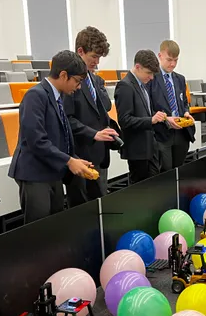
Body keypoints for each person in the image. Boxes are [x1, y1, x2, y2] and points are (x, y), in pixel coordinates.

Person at [8, 50, 94, 223]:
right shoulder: (35, 95)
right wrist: (69, 161)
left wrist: (73, 158)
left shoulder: (56, 96)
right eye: (76, 81)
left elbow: (59, 137)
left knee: (54, 226)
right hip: (34, 173)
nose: (78, 87)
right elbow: (36, 141)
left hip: (52, 171)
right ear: (63, 75)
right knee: (38, 232)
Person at [65, 27, 121, 206]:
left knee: (100, 205)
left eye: (99, 58)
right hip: (80, 154)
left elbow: (105, 107)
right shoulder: (68, 81)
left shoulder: (95, 80)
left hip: (100, 152)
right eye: (93, 57)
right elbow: (67, 119)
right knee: (83, 209)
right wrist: (93, 133)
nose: (96, 63)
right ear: (80, 51)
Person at [114, 50, 165, 184]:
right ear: (137, 67)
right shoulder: (125, 86)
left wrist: (156, 116)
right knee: (141, 190)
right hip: (137, 149)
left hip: (150, 146)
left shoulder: (142, 85)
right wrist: (151, 120)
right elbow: (124, 120)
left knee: (154, 186)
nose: (151, 77)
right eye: (149, 73)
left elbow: (144, 112)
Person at [149, 40, 195, 171]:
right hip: (162, 132)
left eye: (176, 60)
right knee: (166, 170)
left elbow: (184, 102)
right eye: (169, 60)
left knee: (179, 169)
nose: (173, 64)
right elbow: (148, 107)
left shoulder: (180, 79)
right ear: (160, 56)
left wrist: (186, 112)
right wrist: (165, 118)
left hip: (181, 131)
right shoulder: (151, 78)